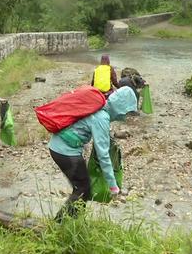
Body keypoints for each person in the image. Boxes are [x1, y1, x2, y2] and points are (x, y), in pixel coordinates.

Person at [48, 86, 137, 221]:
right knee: (82, 189)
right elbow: (103, 155)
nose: (125, 116)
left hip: (62, 147)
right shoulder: (102, 118)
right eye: (126, 111)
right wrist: (113, 185)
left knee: (82, 188)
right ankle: (58, 224)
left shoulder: (100, 110)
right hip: (64, 151)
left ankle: (71, 222)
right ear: (120, 106)